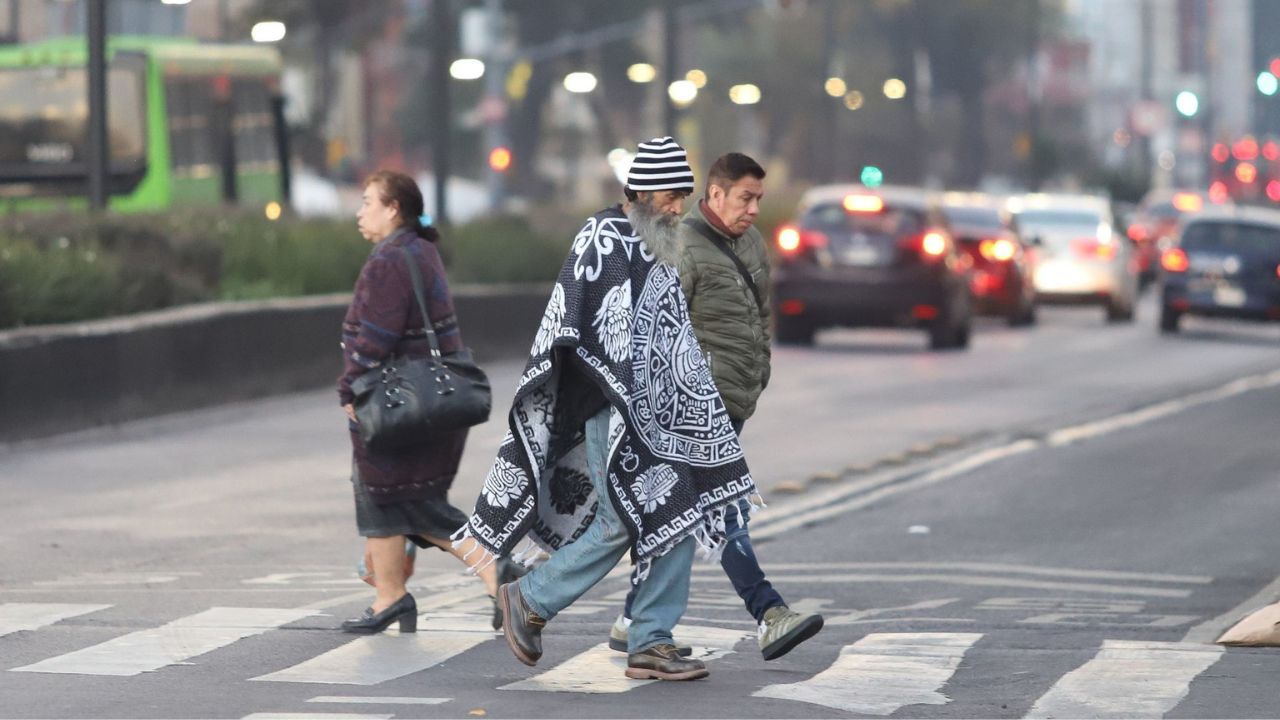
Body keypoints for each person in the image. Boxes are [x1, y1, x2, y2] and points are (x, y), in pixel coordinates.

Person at [455, 137, 758, 681]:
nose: (678, 206)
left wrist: (692, 401)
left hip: (661, 417)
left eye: (683, 195)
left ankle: (650, 639)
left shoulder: (662, 243)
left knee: (677, 516)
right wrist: (623, 387)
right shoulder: (602, 235)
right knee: (621, 523)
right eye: (671, 195)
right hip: (608, 406)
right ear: (641, 189)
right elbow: (574, 323)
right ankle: (528, 598)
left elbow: (671, 336)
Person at [607, 152, 824, 661]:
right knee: (723, 509)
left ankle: (630, 619)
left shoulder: (750, 243)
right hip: (695, 406)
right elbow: (657, 327)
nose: (752, 209)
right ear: (716, 194)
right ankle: (769, 614)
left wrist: (761, 369)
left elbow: (760, 315)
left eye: (758, 200)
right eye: (744, 198)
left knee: (679, 513)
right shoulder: (681, 244)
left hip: (736, 398)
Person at [337, 170, 518, 634]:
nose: (360, 212)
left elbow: (375, 337)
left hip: (398, 403)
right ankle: (390, 595)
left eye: (367, 202)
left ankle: (493, 570)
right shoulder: (421, 251)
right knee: (391, 500)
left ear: (393, 208)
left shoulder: (389, 261)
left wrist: (349, 388)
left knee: (412, 504)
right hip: (432, 400)